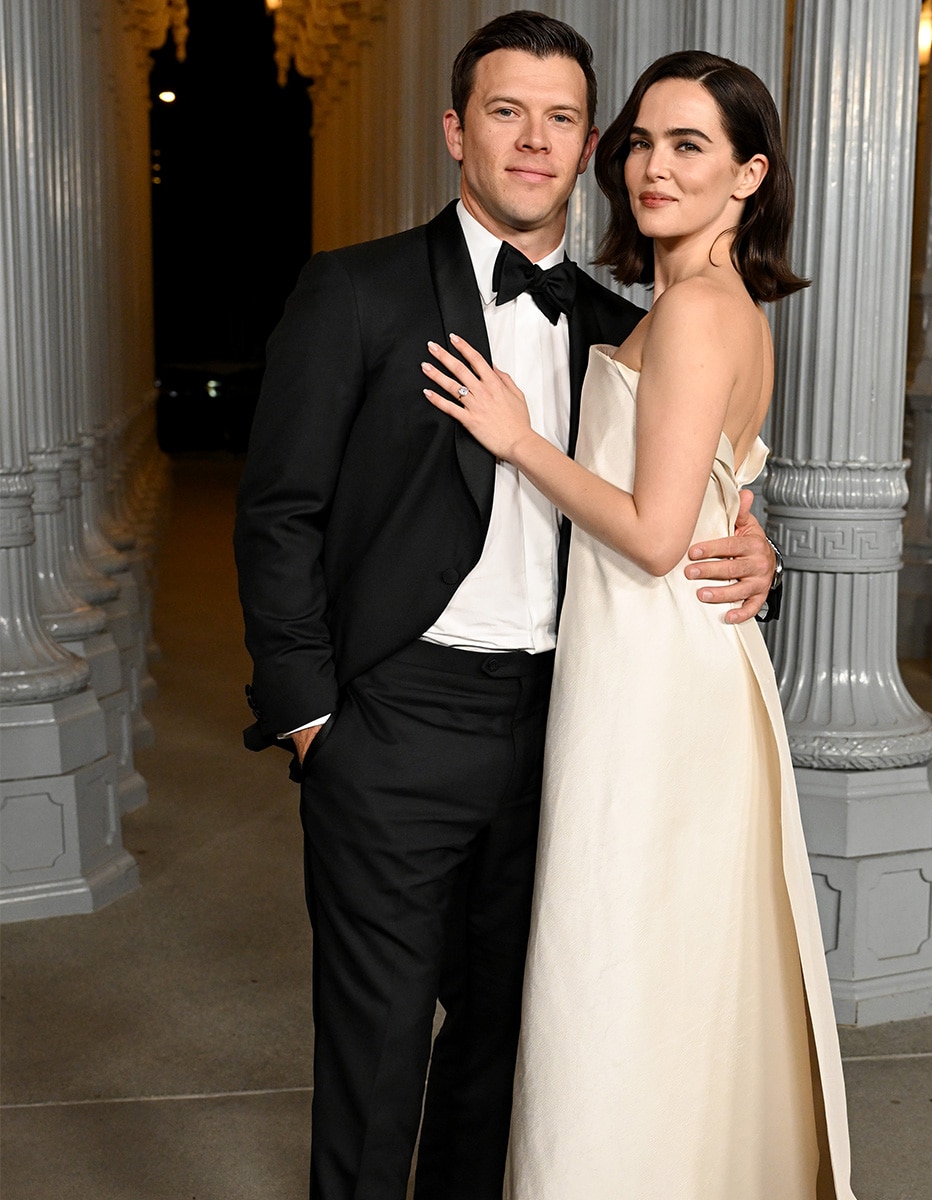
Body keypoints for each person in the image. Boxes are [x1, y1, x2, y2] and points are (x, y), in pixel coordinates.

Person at [234, 14, 780, 1200]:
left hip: (573, 728)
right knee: (376, 1056)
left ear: (588, 145)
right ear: (456, 131)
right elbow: (278, 512)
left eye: (564, 117)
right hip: (393, 726)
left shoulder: (611, 320)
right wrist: (311, 718)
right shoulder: (357, 291)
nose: (535, 140)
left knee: (514, 1049)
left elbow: (673, 482)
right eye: (505, 111)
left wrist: (752, 543)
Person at [422, 51, 856, 1198]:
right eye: (642, 143)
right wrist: (754, 539)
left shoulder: (703, 312)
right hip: (655, 662)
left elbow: (660, 535)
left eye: (691, 147)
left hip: (656, 680)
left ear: (749, 175)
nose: (652, 168)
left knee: (613, 960)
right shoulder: (697, 306)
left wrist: (520, 441)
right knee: (649, 966)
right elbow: (713, 503)